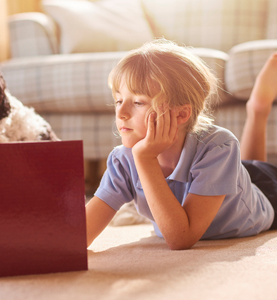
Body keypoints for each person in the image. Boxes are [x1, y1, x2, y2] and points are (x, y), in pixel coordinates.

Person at [86, 39, 277, 250]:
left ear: (182, 114)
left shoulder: (219, 147)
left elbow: (181, 239)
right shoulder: (122, 160)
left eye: (138, 102)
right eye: (119, 101)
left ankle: (258, 110)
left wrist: (145, 159)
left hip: (267, 195)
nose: (121, 114)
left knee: (253, 173)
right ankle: (257, 111)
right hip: (227, 174)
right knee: (245, 167)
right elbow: (80, 235)